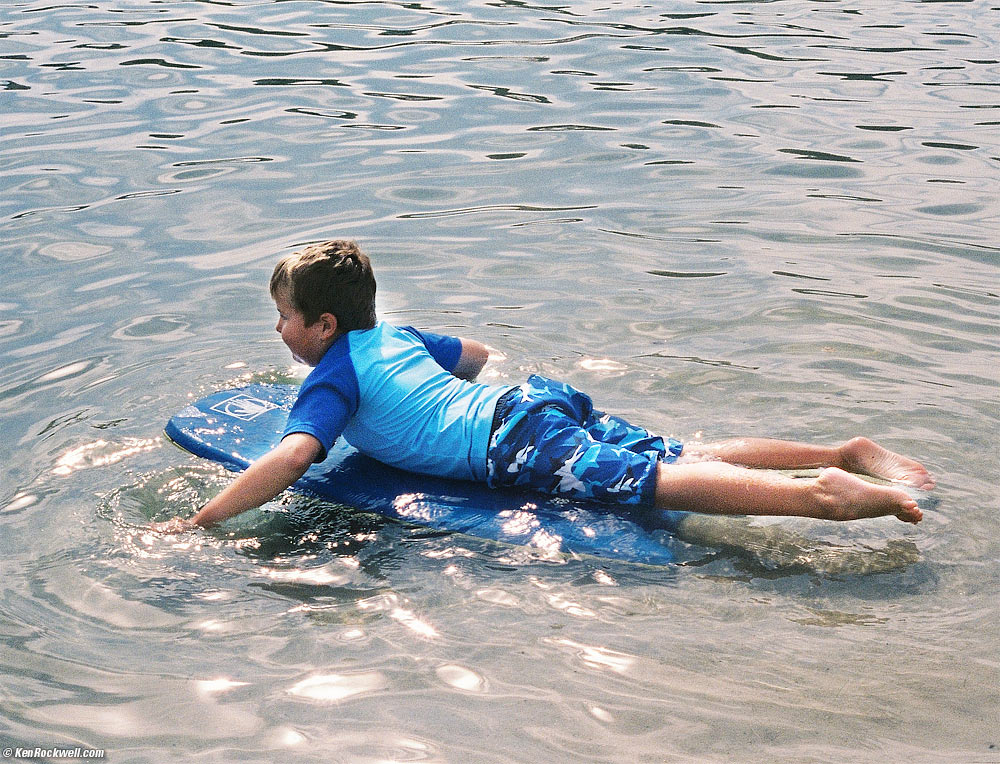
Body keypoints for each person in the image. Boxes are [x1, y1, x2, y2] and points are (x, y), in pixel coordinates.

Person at [153, 240, 934, 533]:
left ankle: (820, 494)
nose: (279, 332)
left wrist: (204, 516)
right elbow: (476, 354)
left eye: (284, 318)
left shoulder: (330, 379)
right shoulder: (388, 335)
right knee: (677, 447)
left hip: (513, 445)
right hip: (533, 402)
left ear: (321, 325)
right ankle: (845, 448)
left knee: (659, 482)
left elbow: (293, 460)